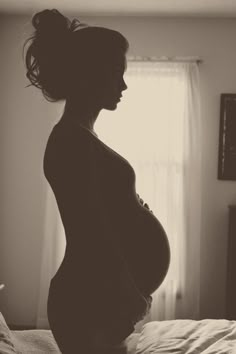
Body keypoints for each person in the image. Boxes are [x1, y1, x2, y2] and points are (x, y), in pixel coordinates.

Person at [24, 9, 170, 354]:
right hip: (87, 300)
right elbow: (90, 234)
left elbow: (102, 213)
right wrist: (128, 292)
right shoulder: (70, 140)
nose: (123, 85)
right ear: (88, 74)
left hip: (97, 297)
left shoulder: (80, 137)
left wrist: (132, 208)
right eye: (116, 73)